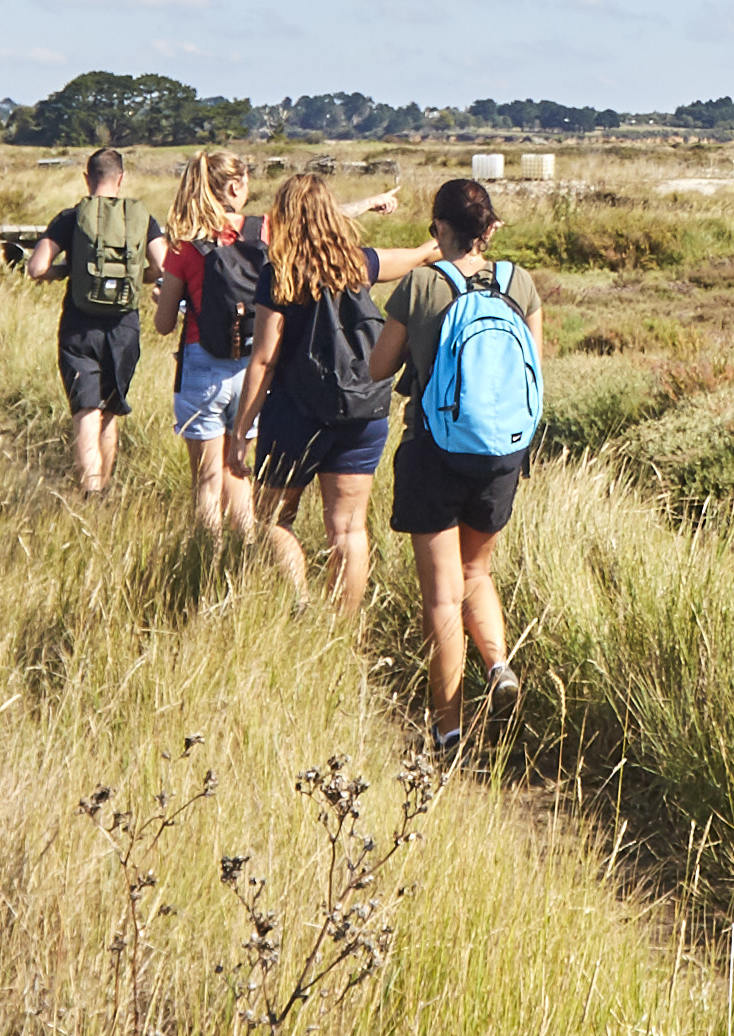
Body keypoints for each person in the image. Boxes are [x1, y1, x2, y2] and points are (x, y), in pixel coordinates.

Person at [384, 176, 544, 754]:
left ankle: (448, 727)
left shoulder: (421, 286)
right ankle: (499, 664)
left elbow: (380, 366)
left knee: (440, 597)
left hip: (433, 451)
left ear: (441, 229)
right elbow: (533, 374)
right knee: (477, 572)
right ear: (491, 230)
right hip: (503, 454)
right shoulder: (517, 282)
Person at [236, 169, 394, 611]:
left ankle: (300, 601)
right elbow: (418, 257)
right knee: (348, 530)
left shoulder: (279, 274)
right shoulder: (360, 264)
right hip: (362, 411)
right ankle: (339, 630)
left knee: (272, 518)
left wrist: (241, 429)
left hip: (296, 414)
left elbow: (264, 359)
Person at [12, 142, 160, 499]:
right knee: (110, 413)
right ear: (120, 179)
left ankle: (91, 492)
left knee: (85, 412)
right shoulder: (141, 217)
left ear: (87, 179)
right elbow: (163, 266)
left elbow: (36, 268)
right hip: (124, 327)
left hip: (80, 328)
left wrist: (68, 271)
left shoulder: (70, 217)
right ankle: (104, 488)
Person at [155, 149, 276, 578]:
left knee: (207, 481)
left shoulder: (186, 245)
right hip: (253, 367)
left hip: (202, 365)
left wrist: (172, 299)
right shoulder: (265, 232)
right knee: (238, 471)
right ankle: (245, 562)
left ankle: (206, 567)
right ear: (235, 186)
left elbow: (164, 323)